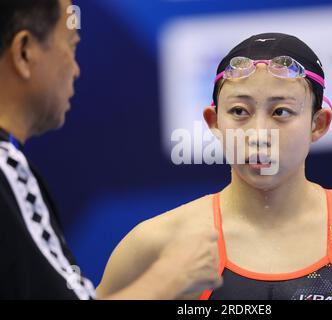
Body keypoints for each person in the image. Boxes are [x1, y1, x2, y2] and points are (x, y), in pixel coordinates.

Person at [97, 33, 332, 300]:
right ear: (213, 122)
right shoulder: (157, 242)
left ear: (318, 124)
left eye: (281, 112)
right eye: (239, 112)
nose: (259, 134)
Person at [0, 0, 221, 300]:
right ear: (25, 51)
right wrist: (172, 276)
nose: (76, 70)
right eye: (71, 46)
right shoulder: (7, 170)